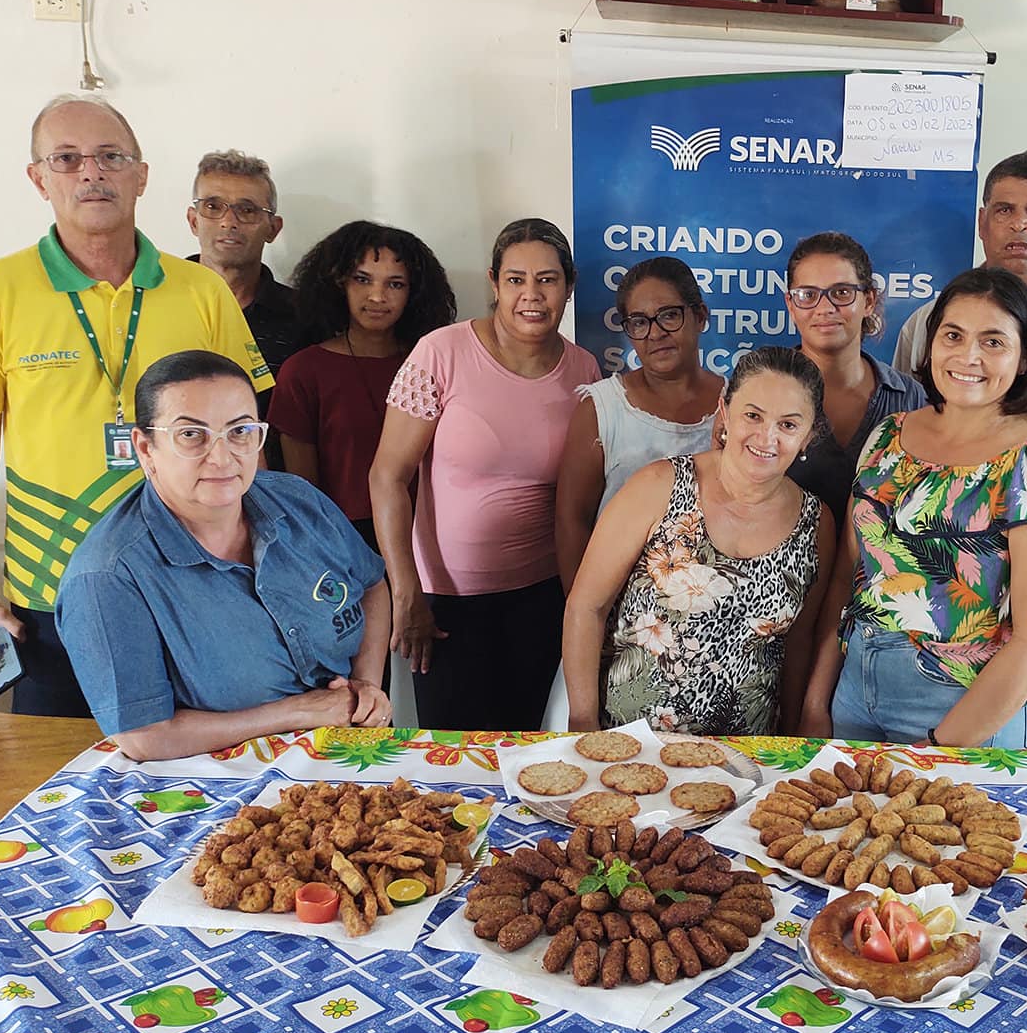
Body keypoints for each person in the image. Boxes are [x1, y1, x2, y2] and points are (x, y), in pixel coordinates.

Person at [0, 95, 271, 718]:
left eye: (110, 157)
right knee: (55, 783)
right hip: (51, 593)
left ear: (141, 175)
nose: (91, 172)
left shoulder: (202, 291)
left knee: (206, 781)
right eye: (66, 159)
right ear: (38, 178)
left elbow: (246, 437)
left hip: (191, 582)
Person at [55, 351, 390, 760]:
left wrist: (367, 685)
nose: (222, 457)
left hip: (347, 757)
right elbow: (145, 737)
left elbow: (372, 585)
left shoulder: (299, 502)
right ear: (145, 448)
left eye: (240, 431)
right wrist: (297, 712)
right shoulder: (107, 576)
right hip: (212, 791)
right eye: (191, 435)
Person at [804, 267, 1027, 748]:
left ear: (1026, 358)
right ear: (931, 346)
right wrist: (816, 703)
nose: (968, 356)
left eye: (993, 342)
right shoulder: (889, 435)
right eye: (954, 335)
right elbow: (847, 577)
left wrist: (941, 745)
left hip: (959, 707)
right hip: (854, 687)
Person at [370, 218, 600, 731]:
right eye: (516, 280)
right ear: (494, 283)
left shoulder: (584, 370)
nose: (532, 295)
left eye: (548, 279)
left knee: (522, 750)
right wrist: (406, 593)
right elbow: (387, 476)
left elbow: (583, 495)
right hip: (445, 604)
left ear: (569, 285)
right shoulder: (441, 353)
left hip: (542, 597)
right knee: (455, 761)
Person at [564, 347, 835, 736]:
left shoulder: (816, 522)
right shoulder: (659, 486)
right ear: (724, 411)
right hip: (632, 746)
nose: (767, 437)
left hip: (746, 762)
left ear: (809, 436)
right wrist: (582, 725)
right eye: (753, 415)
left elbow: (798, 645)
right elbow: (586, 606)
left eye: (789, 425)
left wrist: (792, 743)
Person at [269, 221, 457, 553]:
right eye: (362, 279)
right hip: (341, 544)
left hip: (431, 540)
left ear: (414, 293)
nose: (377, 296)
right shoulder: (303, 371)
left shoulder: (436, 364)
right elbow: (302, 490)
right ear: (338, 284)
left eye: (395, 284)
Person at [554, 257, 723, 592]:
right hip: (620, 614)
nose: (655, 333)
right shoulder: (603, 408)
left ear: (700, 316)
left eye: (669, 316)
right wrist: (584, 614)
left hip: (713, 609)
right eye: (639, 322)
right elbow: (572, 521)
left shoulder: (736, 406)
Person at [891, 150, 1027, 378]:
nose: (1020, 224)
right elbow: (908, 409)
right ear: (982, 223)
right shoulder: (927, 322)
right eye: (1005, 210)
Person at [783, 232, 926, 528]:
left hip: (888, 572)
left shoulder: (910, 398)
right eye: (808, 295)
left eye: (842, 293)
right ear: (790, 305)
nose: (825, 308)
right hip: (782, 571)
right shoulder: (758, 392)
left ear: (869, 300)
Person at [186, 150, 300, 381]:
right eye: (213, 207)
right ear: (193, 221)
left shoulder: (304, 317)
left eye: (247, 210)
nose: (229, 222)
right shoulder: (152, 301)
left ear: (273, 228)